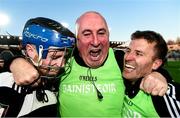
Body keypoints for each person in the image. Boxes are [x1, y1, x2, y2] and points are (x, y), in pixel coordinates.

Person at [7, 11, 170, 117]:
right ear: (77, 41)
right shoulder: (64, 62)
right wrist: (15, 62)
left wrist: (159, 75)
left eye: (101, 33)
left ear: (108, 35)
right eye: (86, 34)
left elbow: (146, 66)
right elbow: (36, 64)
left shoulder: (120, 59)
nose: (95, 41)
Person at [0, 17, 75, 117]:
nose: (62, 64)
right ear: (31, 51)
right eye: (55, 56)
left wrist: (14, 61)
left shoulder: (55, 79)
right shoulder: (6, 85)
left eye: (65, 56)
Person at [122, 30, 180, 117]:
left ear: (155, 64)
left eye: (138, 53)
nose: (127, 57)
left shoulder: (162, 94)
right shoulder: (121, 75)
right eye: (128, 50)